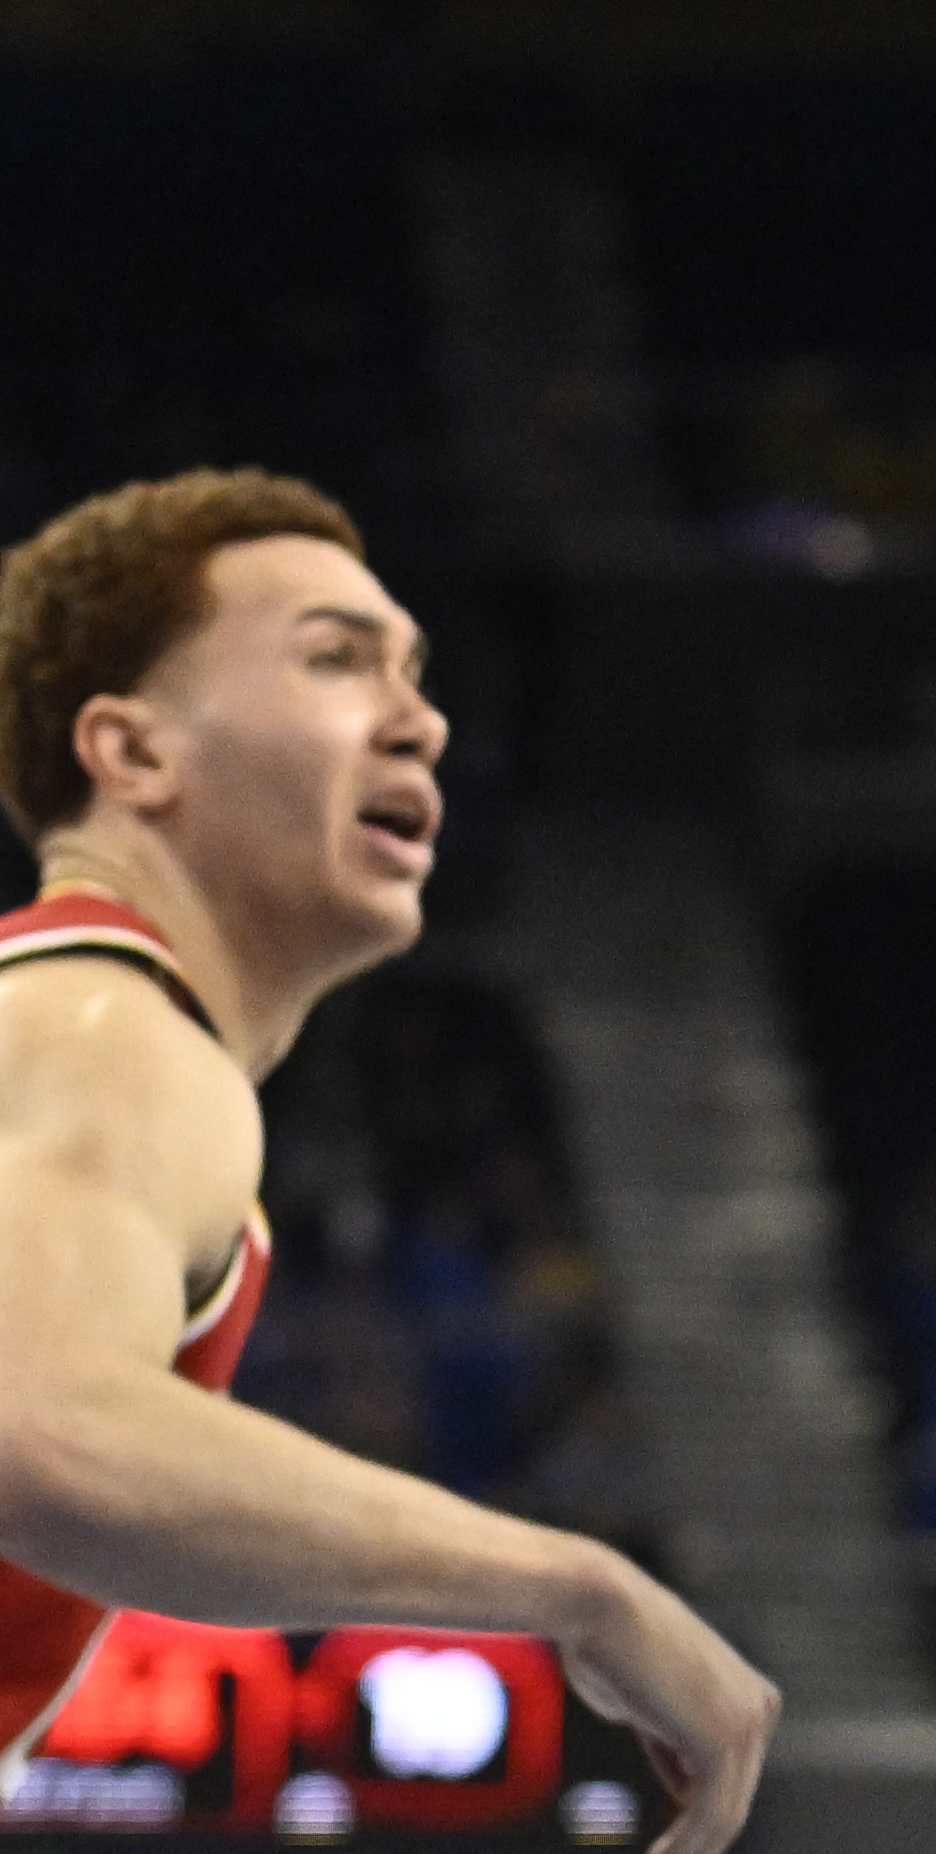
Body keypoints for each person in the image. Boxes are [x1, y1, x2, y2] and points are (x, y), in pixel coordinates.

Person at [0, 471, 777, 1851]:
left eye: (414, 671)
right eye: (334, 659)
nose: (421, 718)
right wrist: (582, 1585)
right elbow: (45, 1434)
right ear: (133, 753)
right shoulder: (102, 1027)